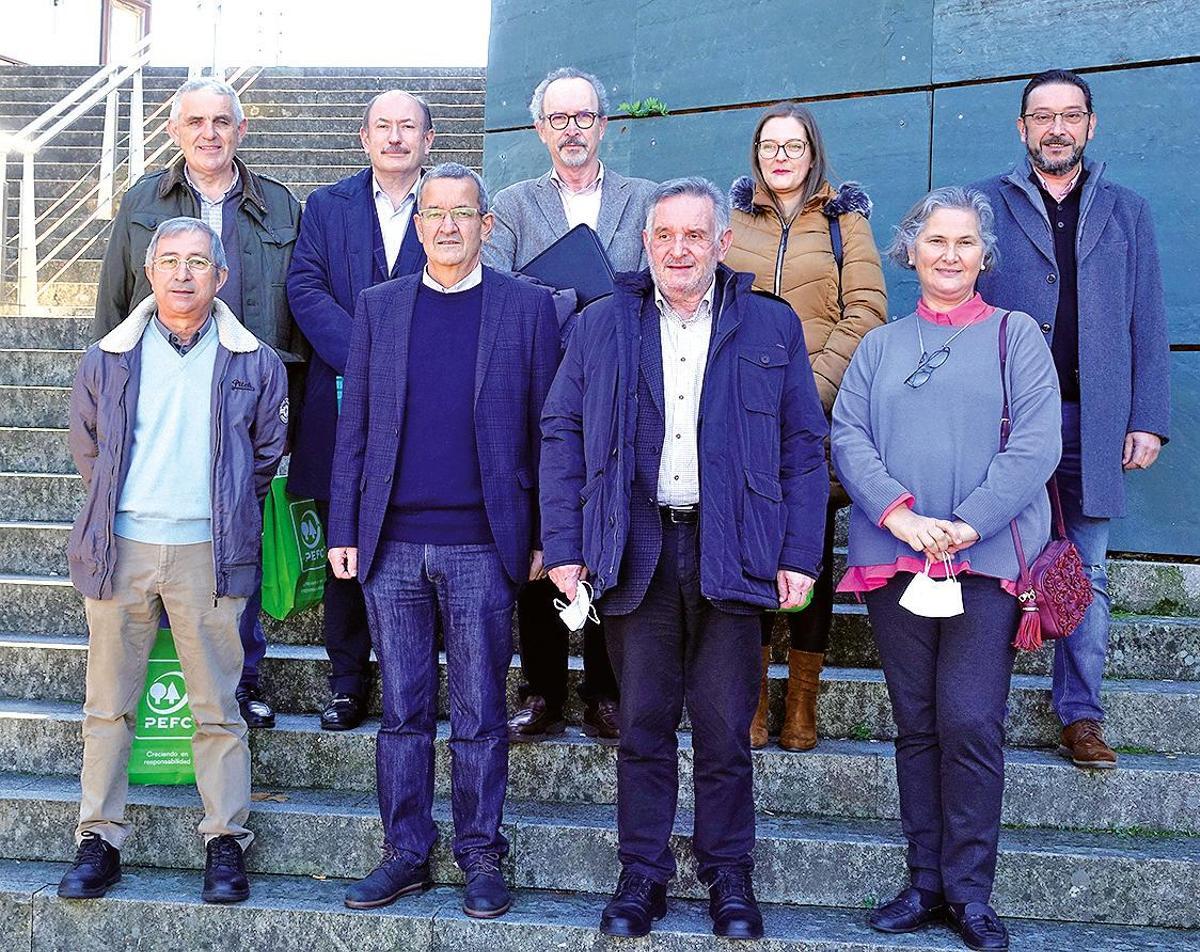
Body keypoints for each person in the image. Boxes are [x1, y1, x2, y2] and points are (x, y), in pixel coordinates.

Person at [540, 177, 829, 940]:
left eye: (695, 235)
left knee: (727, 728)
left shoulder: (770, 326)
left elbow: (804, 447)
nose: (679, 249)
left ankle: (729, 875)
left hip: (732, 547)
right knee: (642, 725)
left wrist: (801, 552)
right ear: (646, 243)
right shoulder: (601, 325)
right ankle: (643, 875)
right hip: (636, 549)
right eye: (665, 235)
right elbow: (561, 435)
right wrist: (566, 547)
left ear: (721, 243)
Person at [326, 163, 559, 918]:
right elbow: (355, 423)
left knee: (482, 710)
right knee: (402, 711)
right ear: (417, 223)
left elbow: (549, 433)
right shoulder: (379, 307)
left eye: (464, 212)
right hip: (391, 544)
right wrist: (344, 527)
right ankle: (405, 853)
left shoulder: (526, 309)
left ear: (487, 225)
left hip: (483, 545)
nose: (449, 225)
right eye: (434, 213)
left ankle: (482, 854)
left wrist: (546, 535)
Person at [832, 187, 1061, 951]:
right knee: (917, 723)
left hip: (985, 559)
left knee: (969, 721)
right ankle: (924, 882)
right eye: (936, 242)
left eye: (965, 242)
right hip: (896, 561)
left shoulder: (1015, 335)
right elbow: (848, 438)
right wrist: (901, 516)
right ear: (910, 252)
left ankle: (969, 891)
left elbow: (1036, 443)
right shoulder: (880, 346)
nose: (950, 255)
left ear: (984, 255)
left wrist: (965, 526)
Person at [59, 217, 288, 905]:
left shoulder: (254, 360)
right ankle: (98, 839)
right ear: (149, 273)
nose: (183, 273)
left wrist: (213, 514)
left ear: (220, 277)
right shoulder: (108, 358)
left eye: (198, 262)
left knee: (218, 708)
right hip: (121, 550)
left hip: (208, 552)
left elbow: (265, 458)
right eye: (170, 260)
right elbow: (89, 451)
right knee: (107, 706)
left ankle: (225, 841)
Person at [972, 69, 1171, 771]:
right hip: (1008, 422)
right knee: (994, 565)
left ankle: (1081, 716)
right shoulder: (984, 207)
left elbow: (1147, 317)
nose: (1057, 128)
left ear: (1092, 126)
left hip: (1094, 418)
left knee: (1087, 570)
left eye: (1071, 115)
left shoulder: (1127, 210)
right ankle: (977, 711)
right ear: (1021, 127)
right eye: (1042, 116)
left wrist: (1146, 418)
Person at [93, 77, 304, 731]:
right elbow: (112, 307)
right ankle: (158, 688)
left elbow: (296, 308)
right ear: (174, 131)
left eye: (222, 121)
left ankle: (240, 684)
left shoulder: (276, 202)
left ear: (241, 130)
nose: (209, 133)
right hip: (161, 399)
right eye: (196, 122)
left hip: (245, 399)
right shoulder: (141, 203)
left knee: (235, 542)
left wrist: (289, 409)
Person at [484, 66, 657, 744]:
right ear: (539, 130)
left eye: (583, 117)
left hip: (626, 392)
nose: (572, 130)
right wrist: (579, 300)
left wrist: (594, 298)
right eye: (559, 119)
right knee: (542, 539)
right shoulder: (515, 202)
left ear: (604, 124)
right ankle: (543, 690)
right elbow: (497, 287)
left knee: (614, 533)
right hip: (542, 391)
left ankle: (608, 690)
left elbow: (658, 278)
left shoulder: (645, 198)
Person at [725, 102, 886, 752]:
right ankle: (753, 703)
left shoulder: (846, 222)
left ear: (812, 151)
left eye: (794, 145)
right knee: (751, 558)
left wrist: (805, 390)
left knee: (809, 554)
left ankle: (800, 707)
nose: (782, 156)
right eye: (770, 145)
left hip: (816, 419)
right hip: (741, 417)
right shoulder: (733, 224)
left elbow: (867, 311)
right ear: (757, 155)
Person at [286, 89, 435, 731]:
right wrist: (367, 355)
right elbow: (304, 286)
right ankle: (347, 680)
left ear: (429, 141)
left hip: (432, 401)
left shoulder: (453, 200)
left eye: (408, 127)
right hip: (343, 397)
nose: (395, 137)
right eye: (383, 126)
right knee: (346, 534)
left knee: (417, 537)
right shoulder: (326, 205)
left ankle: (418, 679)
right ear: (363, 138)